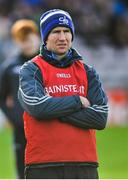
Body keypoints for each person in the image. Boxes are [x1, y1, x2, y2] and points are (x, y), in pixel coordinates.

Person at [18, 9, 108, 179]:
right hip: (43, 165)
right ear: (45, 37)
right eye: (56, 32)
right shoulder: (31, 69)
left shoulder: (88, 72)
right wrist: (77, 101)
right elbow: (38, 108)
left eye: (66, 31)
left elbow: (100, 117)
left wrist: (55, 109)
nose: (62, 37)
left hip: (85, 165)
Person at [0, 19, 40, 178]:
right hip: (21, 128)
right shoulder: (10, 67)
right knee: (23, 169)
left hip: (47, 125)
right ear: (17, 41)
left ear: (37, 36)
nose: (27, 42)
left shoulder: (50, 63)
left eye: (30, 37)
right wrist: (14, 117)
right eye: (22, 39)